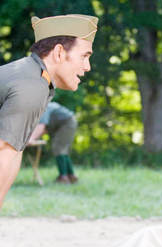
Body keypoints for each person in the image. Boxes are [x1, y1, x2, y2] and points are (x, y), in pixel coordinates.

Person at [0, 14, 98, 206]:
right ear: (59, 53)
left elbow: (14, 150)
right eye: (84, 56)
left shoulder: (34, 77)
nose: (87, 67)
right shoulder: (32, 85)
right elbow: (2, 151)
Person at [29, 101, 78, 183]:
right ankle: (71, 175)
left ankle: (63, 177)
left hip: (67, 123)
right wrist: (33, 137)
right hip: (68, 122)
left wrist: (31, 139)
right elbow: (44, 129)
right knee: (63, 149)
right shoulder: (43, 106)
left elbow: (41, 127)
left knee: (58, 148)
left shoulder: (42, 107)